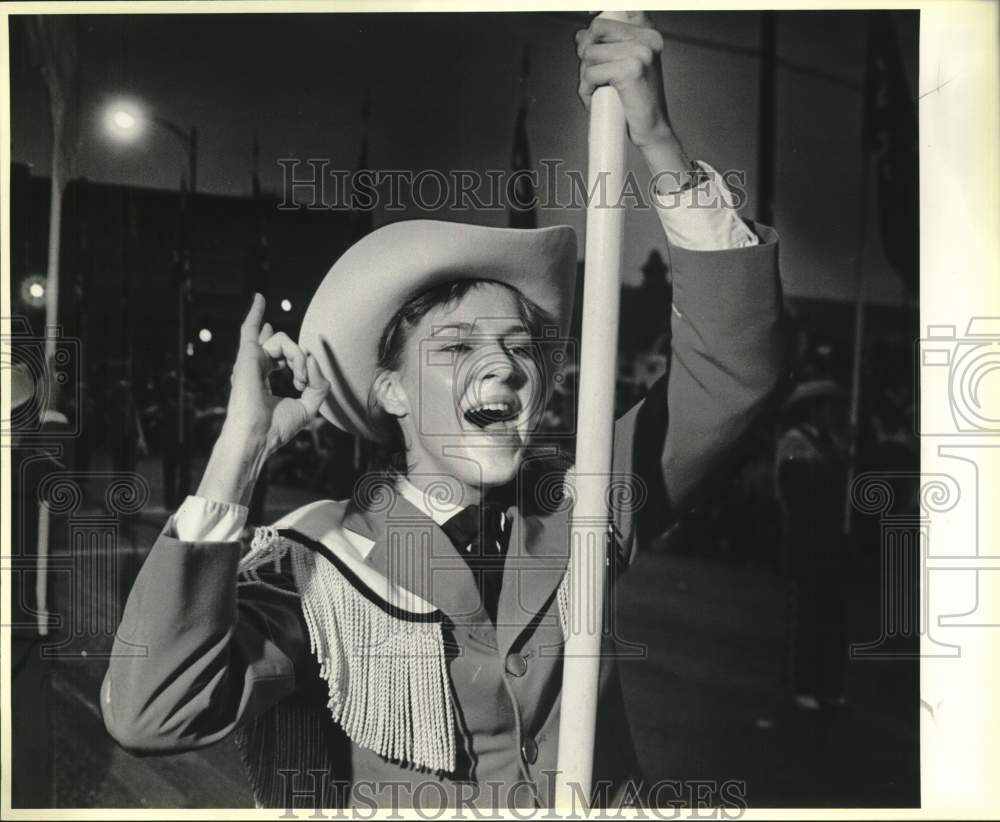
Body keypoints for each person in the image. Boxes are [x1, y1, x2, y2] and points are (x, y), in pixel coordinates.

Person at [101, 15, 785, 809]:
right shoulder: (318, 563)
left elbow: (738, 372)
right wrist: (242, 447)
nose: (503, 364)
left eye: (518, 347)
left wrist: (656, 138)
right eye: (456, 348)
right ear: (390, 391)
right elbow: (158, 712)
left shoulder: (586, 501)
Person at [774, 379, 851, 710]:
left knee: (831, 615)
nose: (833, 414)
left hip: (830, 538)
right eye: (828, 408)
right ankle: (804, 683)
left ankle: (828, 685)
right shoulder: (794, 442)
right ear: (815, 410)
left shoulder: (833, 442)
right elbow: (796, 490)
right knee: (808, 614)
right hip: (807, 536)